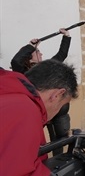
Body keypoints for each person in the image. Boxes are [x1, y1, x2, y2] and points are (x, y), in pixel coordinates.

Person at [0, 59, 78, 176]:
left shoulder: (9, 91)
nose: (58, 111)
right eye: (62, 104)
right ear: (57, 95)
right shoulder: (25, 110)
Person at [10, 28, 72, 156]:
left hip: (59, 112)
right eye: (37, 52)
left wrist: (66, 37)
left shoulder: (47, 68)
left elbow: (61, 55)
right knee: (36, 143)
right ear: (29, 59)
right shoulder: (23, 73)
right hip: (39, 114)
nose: (41, 54)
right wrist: (30, 46)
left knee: (60, 141)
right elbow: (15, 61)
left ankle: (58, 162)